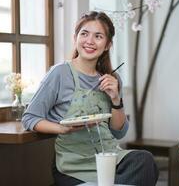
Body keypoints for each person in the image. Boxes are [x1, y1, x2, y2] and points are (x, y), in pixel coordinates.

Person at [22, 11, 158, 186]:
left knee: (145, 161)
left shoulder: (111, 79)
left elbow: (119, 132)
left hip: (109, 159)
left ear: (108, 44)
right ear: (75, 37)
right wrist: (62, 129)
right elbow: (30, 117)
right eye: (84, 34)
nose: (89, 41)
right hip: (73, 167)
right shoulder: (60, 73)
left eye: (98, 36)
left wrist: (116, 99)